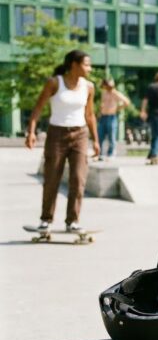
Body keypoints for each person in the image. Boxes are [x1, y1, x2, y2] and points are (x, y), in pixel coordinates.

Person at [24, 50, 99, 232]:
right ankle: (46, 220)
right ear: (74, 64)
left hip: (80, 134)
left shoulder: (89, 86)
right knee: (52, 178)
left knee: (78, 178)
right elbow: (38, 108)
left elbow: (90, 115)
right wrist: (31, 132)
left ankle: (72, 221)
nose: (90, 68)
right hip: (56, 134)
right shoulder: (54, 83)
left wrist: (95, 140)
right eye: (86, 64)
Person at [97, 78, 131, 161]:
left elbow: (127, 102)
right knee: (100, 136)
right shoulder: (104, 93)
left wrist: (117, 108)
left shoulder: (115, 93)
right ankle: (100, 154)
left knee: (111, 136)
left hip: (111, 117)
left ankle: (111, 153)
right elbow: (103, 103)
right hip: (103, 116)